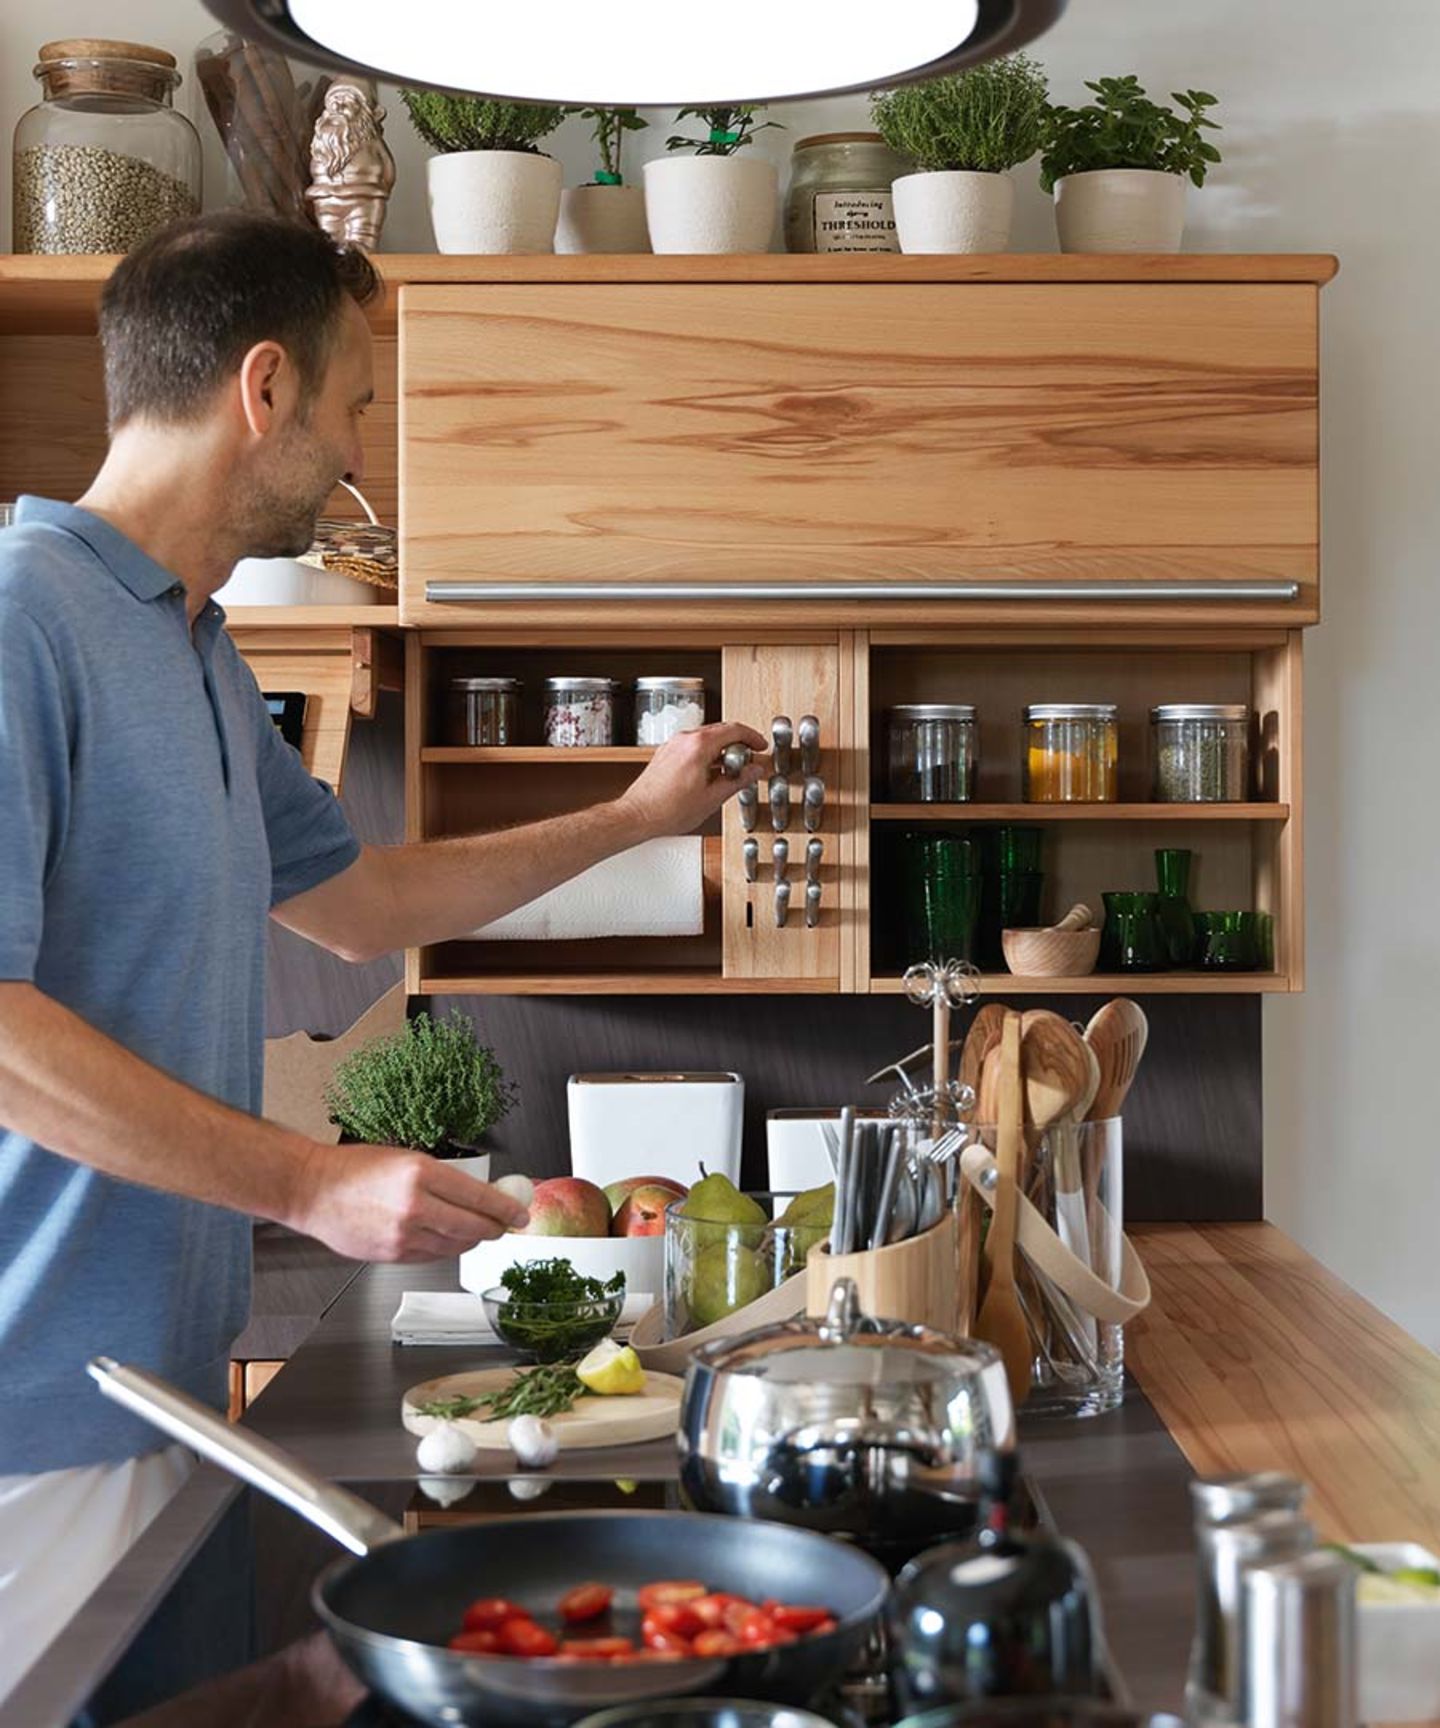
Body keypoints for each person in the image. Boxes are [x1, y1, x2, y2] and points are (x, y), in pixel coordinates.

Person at [0, 210, 766, 1702]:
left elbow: (363, 902)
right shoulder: (25, 621)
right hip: (32, 1409)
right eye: (356, 403)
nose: (361, 451)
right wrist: (310, 1182)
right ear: (265, 388)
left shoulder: (194, 650)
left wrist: (634, 814)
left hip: (162, 1385)